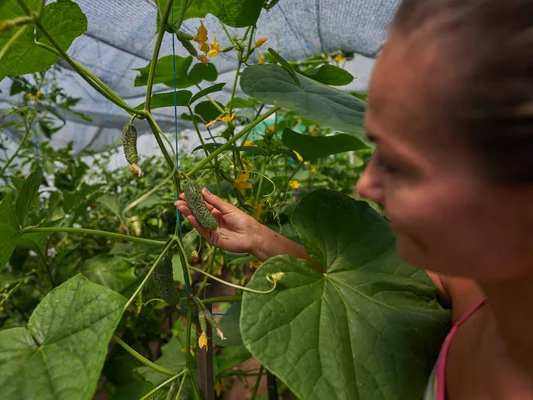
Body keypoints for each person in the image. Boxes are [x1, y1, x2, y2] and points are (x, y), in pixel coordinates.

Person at [175, 0, 533, 398]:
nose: (364, 185)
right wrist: (260, 238)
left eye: (398, 165)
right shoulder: (478, 290)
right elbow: (386, 284)